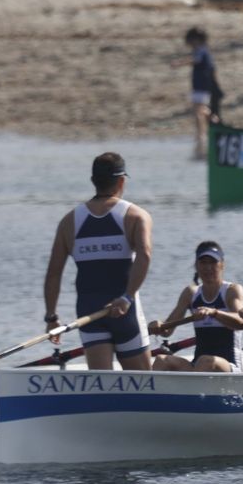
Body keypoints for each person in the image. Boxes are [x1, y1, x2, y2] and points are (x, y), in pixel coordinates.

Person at [42, 152, 154, 371]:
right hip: (125, 310)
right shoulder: (136, 216)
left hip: (89, 311)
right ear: (122, 181)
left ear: (93, 181)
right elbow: (145, 256)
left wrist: (51, 316)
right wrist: (127, 296)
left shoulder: (69, 221)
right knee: (144, 384)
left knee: (104, 384)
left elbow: (53, 273)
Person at [147, 241, 243, 372]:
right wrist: (157, 326)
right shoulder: (191, 293)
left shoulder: (232, 290)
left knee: (205, 361)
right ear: (196, 265)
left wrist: (215, 313)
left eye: (212, 262)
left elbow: (242, 322)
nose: (208, 267)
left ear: (222, 264)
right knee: (161, 360)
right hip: (199, 365)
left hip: (229, 365)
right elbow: (167, 331)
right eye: (203, 262)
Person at [173, 28, 222, 159]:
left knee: (198, 110)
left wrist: (179, 63)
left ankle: (201, 136)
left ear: (196, 39)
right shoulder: (203, 50)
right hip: (200, 85)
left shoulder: (201, 50)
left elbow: (196, 60)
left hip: (202, 86)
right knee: (200, 109)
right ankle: (211, 121)